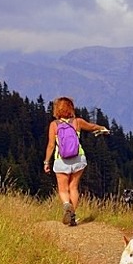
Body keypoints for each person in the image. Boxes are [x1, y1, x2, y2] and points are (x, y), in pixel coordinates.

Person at [43, 96, 109, 226]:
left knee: (63, 189)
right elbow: (92, 127)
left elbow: (51, 145)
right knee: (73, 187)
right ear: (71, 108)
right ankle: (72, 216)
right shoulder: (77, 122)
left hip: (61, 160)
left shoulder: (54, 125)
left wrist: (46, 162)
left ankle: (67, 206)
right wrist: (102, 128)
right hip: (78, 159)